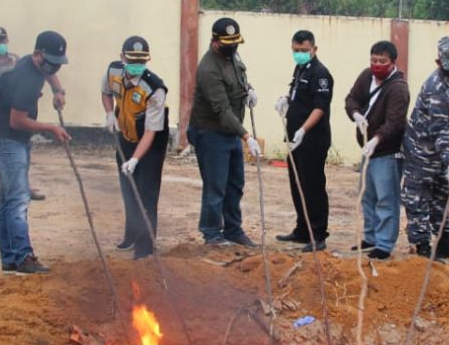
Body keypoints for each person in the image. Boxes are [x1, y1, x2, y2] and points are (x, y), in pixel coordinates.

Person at [0, 30, 72, 274]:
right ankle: (23, 257)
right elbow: (17, 121)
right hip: (6, 142)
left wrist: (58, 91)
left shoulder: (31, 64)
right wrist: (51, 128)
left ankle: (10, 258)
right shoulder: (27, 79)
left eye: (58, 65)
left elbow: (50, 76)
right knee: (19, 200)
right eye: (51, 64)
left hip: (10, 141)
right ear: (37, 55)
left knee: (10, 200)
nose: (54, 69)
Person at [187, 17, 260, 247]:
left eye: (235, 42)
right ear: (215, 41)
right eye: (228, 43)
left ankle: (233, 230)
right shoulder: (209, 68)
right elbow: (222, 110)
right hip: (211, 133)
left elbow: (238, 80)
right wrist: (246, 136)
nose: (233, 46)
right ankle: (211, 233)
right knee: (215, 186)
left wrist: (249, 91)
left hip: (229, 133)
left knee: (235, 184)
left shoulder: (233, 56)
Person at [400, 36, 449, 261]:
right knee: (418, 198)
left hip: (441, 146)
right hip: (422, 149)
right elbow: (439, 133)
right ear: (438, 62)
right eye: (448, 68)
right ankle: (421, 246)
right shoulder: (436, 88)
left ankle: (444, 242)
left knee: (442, 195)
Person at [102, 35, 169, 260]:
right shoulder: (113, 71)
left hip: (151, 140)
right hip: (126, 134)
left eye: (142, 62)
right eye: (133, 61)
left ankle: (145, 245)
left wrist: (135, 159)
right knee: (128, 188)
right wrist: (110, 113)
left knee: (146, 192)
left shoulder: (155, 88)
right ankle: (130, 235)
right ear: (122, 58)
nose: (137, 66)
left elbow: (151, 132)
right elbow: (106, 92)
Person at [344, 40, 410, 261]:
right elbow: (351, 99)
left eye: (382, 61)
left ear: (392, 63)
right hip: (367, 150)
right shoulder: (366, 76)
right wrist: (355, 113)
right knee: (367, 195)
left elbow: (395, 122)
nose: (377, 65)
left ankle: (384, 243)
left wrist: (377, 139)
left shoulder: (398, 89)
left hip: (387, 152)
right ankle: (370, 236)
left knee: (386, 198)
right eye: (374, 60)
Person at [0, 27, 50, 204]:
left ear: (7, 41)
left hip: (18, 110)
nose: (0, 44)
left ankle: (23, 185)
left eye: (2, 40)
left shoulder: (18, 60)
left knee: (22, 149)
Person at [274, 30, 333, 252]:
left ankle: (317, 234)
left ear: (314, 50)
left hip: (312, 140)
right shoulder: (301, 69)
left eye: (304, 51)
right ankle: (302, 229)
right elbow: (300, 97)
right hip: (295, 140)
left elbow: (320, 107)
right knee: (297, 185)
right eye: (296, 51)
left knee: (313, 186)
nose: (299, 54)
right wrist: (286, 99)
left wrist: (303, 130)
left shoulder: (321, 73)